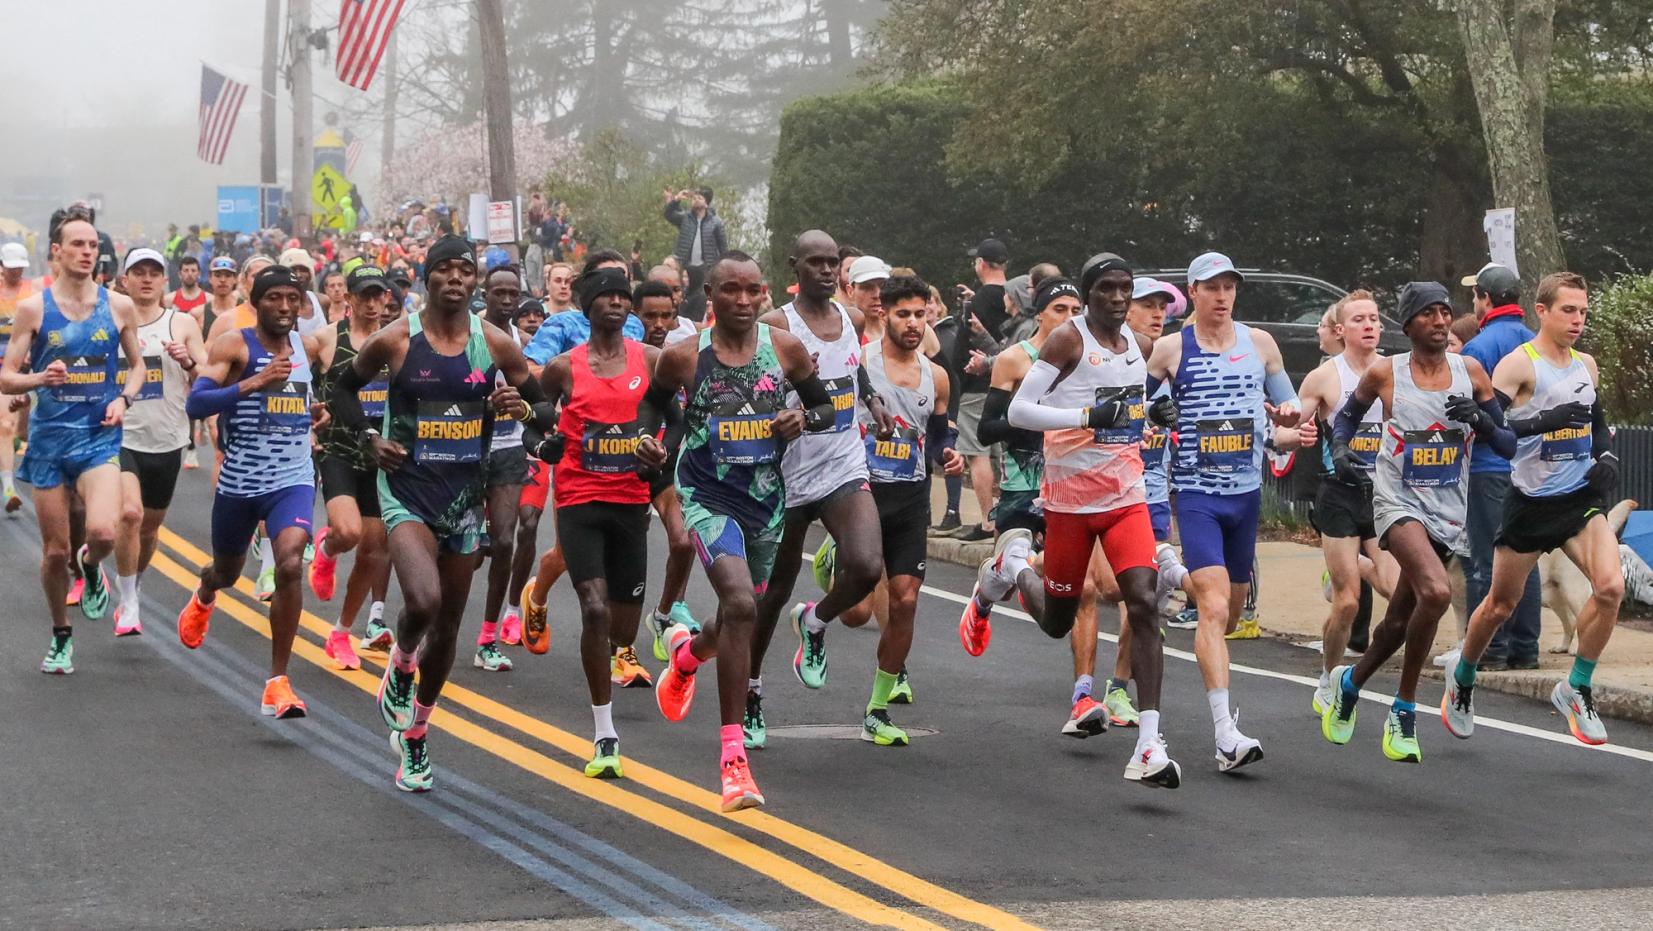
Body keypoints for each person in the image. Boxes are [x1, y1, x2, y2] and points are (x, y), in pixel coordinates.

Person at [327, 234, 552, 792]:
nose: (455, 279)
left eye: (464, 271)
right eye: (444, 270)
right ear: (427, 278)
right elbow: (341, 389)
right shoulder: (396, 339)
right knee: (423, 601)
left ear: (474, 282)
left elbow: (545, 409)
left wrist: (521, 406)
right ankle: (401, 662)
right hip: (406, 490)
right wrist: (367, 442)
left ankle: (418, 736)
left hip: (464, 497)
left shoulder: (496, 344)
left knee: (449, 625)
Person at [635, 251, 837, 811]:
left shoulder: (786, 350)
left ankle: (688, 656)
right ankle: (733, 762)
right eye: (732, 291)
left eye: (754, 292)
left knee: (735, 615)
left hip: (768, 503)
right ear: (710, 294)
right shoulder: (683, 358)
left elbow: (823, 408)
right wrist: (645, 442)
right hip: (706, 497)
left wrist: (802, 419)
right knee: (743, 605)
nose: (744, 302)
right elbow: (650, 410)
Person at [968, 258, 1182, 786]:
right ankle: (1012, 566)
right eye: (1106, 289)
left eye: (1124, 290)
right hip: (1069, 502)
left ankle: (1149, 744)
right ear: (1088, 295)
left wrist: (1154, 414)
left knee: (1143, 598)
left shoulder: (1141, 345)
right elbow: (1019, 413)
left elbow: (1128, 404)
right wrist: (1085, 418)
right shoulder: (1067, 340)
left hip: (1126, 496)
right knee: (1057, 620)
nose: (1116, 297)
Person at [1321, 281, 1514, 763]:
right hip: (1396, 502)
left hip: (1448, 509)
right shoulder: (1387, 373)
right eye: (1429, 313)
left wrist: (1483, 421)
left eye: (1446, 312)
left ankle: (1351, 682)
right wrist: (1341, 451)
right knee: (1436, 591)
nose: (1441, 321)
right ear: (1408, 324)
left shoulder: (1470, 371)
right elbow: (1344, 421)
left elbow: (1508, 444)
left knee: (1397, 623)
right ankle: (1404, 708)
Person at [1443, 272, 1623, 745]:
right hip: (1530, 502)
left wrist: (1605, 455)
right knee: (1499, 605)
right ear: (1541, 311)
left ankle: (1577, 686)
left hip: (1580, 500)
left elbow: (1598, 422)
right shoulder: (1516, 367)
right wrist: (1545, 420)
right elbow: (1498, 438)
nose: (1578, 320)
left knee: (1610, 587)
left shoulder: (1586, 364)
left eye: (1583, 312)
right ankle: (1462, 677)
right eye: (1569, 310)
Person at [1144, 251, 1304, 771]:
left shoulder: (1260, 344)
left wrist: (1288, 423)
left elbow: (1289, 415)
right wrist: (1155, 413)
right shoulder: (1170, 351)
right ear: (1192, 292)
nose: (1222, 296)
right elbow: (1142, 418)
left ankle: (1172, 571)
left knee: (1229, 614)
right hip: (1196, 495)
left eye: (1229, 287)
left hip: (1245, 497)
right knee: (1212, 610)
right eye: (1211, 287)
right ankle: (1225, 735)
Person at [743, 231, 895, 748]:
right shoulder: (774, 326)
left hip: (841, 465)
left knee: (868, 566)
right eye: (817, 263)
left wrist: (873, 404)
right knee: (771, 592)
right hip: (782, 474)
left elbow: (855, 377)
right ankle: (751, 691)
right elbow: (740, 393)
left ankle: (815, 620)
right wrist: (775, 418)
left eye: (835, 264)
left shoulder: (851, 320)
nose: (829, 272)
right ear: (795, 266)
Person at [973, 275, 1133, 733]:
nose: (1067, 317)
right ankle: (998, 580)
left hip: (1077, 484)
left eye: (1072, 309)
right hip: (1025, 486)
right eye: (1057, 309)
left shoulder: (1087, 355)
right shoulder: (1014, 359)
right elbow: (987, 429)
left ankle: (1083, 697)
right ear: (1039, 313)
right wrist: (1041, 423)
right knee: (1077, 591)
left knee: (1097, 589)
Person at [530, 266, 666, 777]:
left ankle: (617, 650)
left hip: (631, 502)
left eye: (621, 296)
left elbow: (674, 413)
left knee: (623, 626)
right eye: (605, 296)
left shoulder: (649, 360)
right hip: (579, 499)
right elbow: (533, 416)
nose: (616, 303)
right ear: (587, 306)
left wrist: (661, 447)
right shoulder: (564, 368)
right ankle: (604, 732)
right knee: (593, 610)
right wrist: (542, 445)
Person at [176, 266, 327, 716]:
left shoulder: (308, 346)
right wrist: (254, 383)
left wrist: (314, 411)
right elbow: (197, 403)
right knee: (226, 571)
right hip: (240, 483)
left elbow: (295, 401)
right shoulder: (234, 344)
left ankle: (278, 681)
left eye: (292, 299)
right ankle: (205, 593)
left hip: (293, 478)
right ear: (256, 302)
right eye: (274, 298)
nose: (284, 307)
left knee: (290, 563)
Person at [1, 211, 147, 673]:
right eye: (77, 244)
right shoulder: (34, 309)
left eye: (92, 245)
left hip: (97, 437)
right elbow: (6, 377)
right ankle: (61, 635)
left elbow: (138, 366)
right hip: (47, 442)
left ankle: (91, 564)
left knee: (104, 532)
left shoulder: (118, 305)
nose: (88, 251)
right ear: (57, 253)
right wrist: (39, 377)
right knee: (54, 551)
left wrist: (124, 399)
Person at [846, 274, 964, 745]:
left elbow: (936, 438)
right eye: (903, 314)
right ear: (883, 314)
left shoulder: (936, 376)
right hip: (862, 491)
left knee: (906, 599)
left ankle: (877, 708)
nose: (914, 323)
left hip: (911, 495)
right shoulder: (860, 364)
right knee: (855, 613)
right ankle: (841, 562)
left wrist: (947, 454)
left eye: (921, 314)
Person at [1292, 291, 1400, 714]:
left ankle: (1349, 562)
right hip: (1338, 492)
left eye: (1374, 318)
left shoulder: (1396, 371)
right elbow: (1290, 429)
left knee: (1394, 588)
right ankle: (1328, 675)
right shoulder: (1325, 377)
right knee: (1349, 603)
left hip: (1384, 494)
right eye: (1360, 319)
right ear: (1341, 330)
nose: (1370, 325)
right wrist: (1290, 431)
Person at [112, 248, 207, 636]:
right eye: (138, 272)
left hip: (167, 438)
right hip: (119, 436)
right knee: (130, 514)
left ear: (164, 280)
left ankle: (133, 579)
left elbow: (207, 374)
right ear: (125, 279)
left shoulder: (180, 323)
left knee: (149, 529)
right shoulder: (110, 320)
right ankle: (128, 601)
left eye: (154, 272)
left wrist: (186, 361)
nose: (146, 279)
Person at [307, 265, 396, 667]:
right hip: (338, 448)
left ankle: (342, 632)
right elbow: (294, 375)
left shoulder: (396, 342)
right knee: (348, 531)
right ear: (351, 299)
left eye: (380, 296)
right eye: (366, 295)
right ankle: (326, 548)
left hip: (380, 457)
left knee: (375, 550)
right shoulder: (327, 340)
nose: (374, 303)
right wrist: (305, 419)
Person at [1459, 263, 1543, 670]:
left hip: (1488, 465)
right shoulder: (1534, 343)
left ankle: (1490, 647)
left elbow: (1470, 411)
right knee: (1525, 557)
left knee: (1486, 561)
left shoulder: (1479, 348)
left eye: (1475, 296)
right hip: (1531, 467)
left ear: (1486, 299)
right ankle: (1526, 647)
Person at [474, 264, 533, 667]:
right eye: (500, 293)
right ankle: (429, 629)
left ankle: (487, 639)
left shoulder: (523, 342)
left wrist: (524, 408)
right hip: (465, 451)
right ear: (486, 293)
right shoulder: (470, 334)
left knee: (505, 541)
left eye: (514, 293)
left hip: (510, 448)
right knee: (463, 552)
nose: (508, 300)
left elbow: (539, 399)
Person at [953, 238, 1011, 542]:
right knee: (1003, 452)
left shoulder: (976, 304)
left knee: (978, 455)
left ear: (981, 264)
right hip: (1007, 382)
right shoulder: (1013, 297)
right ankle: (1008, 514)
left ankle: (989, 522)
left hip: (975, 383)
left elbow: (963, 344)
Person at [0, 241, 36, 510]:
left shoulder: (33, 293)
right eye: (11, 268)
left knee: (16, 429)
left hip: (21, 368)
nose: (16, 272)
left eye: (20, 268)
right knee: (5, 425)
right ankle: (8, 488)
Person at [663, 187, 726, 298]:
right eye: (694, 198)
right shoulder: (685, 218)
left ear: (706, 204)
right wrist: (676, 199)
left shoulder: (716, 222)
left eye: (699, 198)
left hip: (706, 267)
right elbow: (668, 214)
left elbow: (723, 248)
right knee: (682, 294)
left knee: (703, 296)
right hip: (685, 266)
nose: (696, 200)